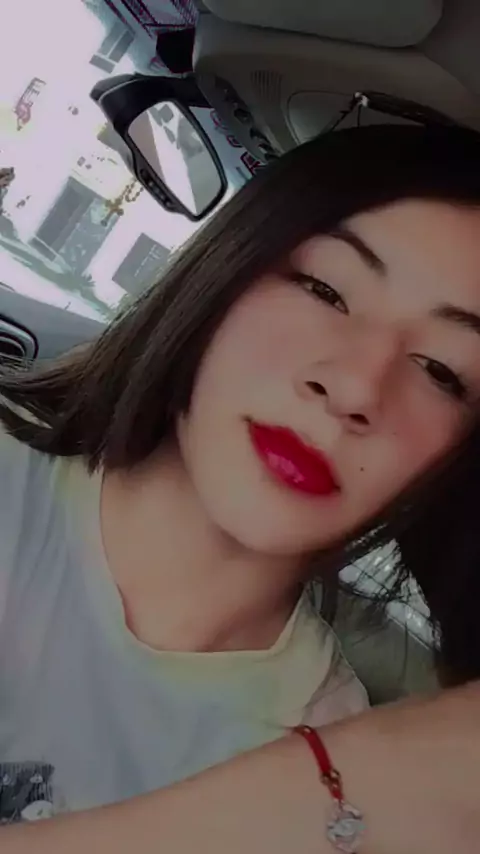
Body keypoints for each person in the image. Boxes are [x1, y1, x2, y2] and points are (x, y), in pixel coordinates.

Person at [1, 121, 480, 845]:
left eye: (443, 371)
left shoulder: (334, 756)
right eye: (325, 289)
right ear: (223, 271)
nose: (354, 387)